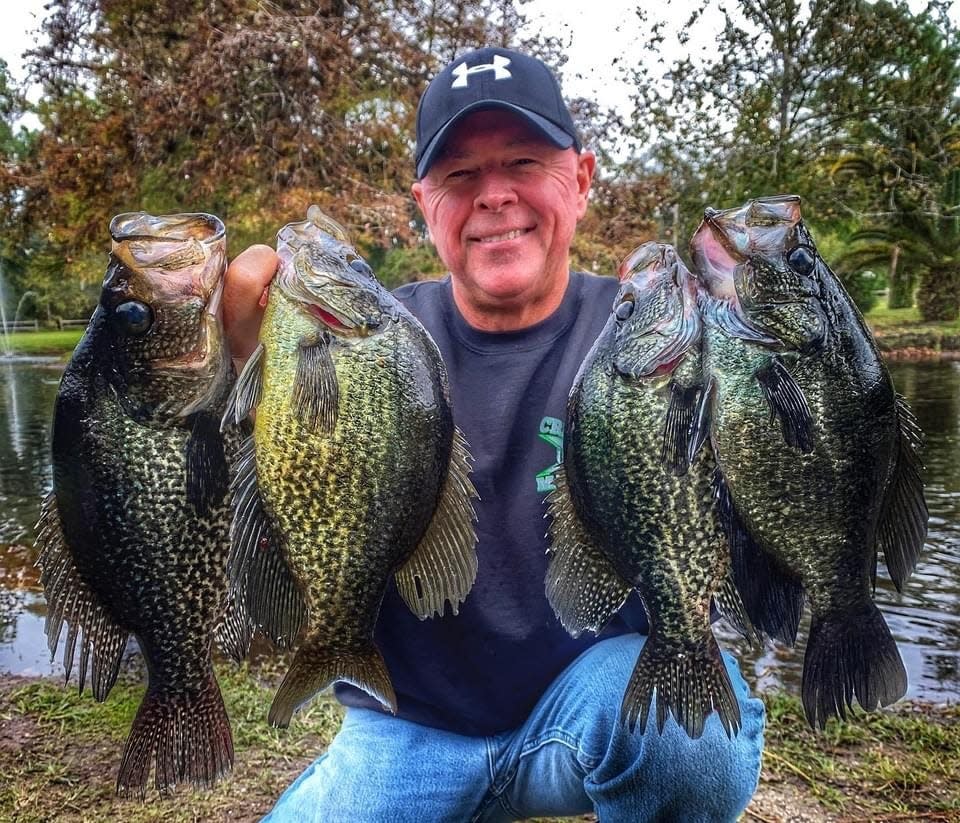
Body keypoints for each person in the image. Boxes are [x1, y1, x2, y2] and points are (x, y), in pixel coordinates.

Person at [223, 46, 765, 822]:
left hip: (589, 711)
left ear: (581, 178)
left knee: (697, 742)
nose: (495, 195)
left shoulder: (661, 336)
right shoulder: (366, 346)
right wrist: (245, 385)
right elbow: (259, 510)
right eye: (460, 176)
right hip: (407, 725)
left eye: (523, 160)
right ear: (423, 202)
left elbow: (764, 490)